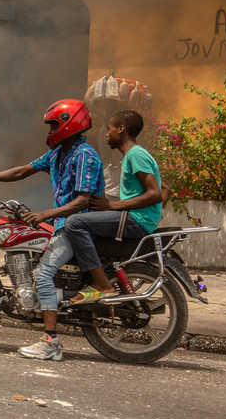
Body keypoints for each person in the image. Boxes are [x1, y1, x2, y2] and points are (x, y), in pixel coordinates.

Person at [0, 99, 104, 362]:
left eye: (53, 125)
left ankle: (51, 343)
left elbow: (83, 200)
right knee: (36, 260)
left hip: (79, 227)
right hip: (62, 225)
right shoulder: (58, 153)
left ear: (68, 123)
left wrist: (44, 214)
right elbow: (22, 171)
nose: (49, 131)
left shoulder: (85, 154)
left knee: (42, 275)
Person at [64, 110, 166, 305]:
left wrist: (112, 206)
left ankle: (102, 284)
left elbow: (155, 193)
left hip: (136, 220)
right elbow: (166, 188)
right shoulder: (133, 155)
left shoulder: (135, 155)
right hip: (139, 217)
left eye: (109, 129)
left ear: (121, 129)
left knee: (74, 223)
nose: (106, 134)